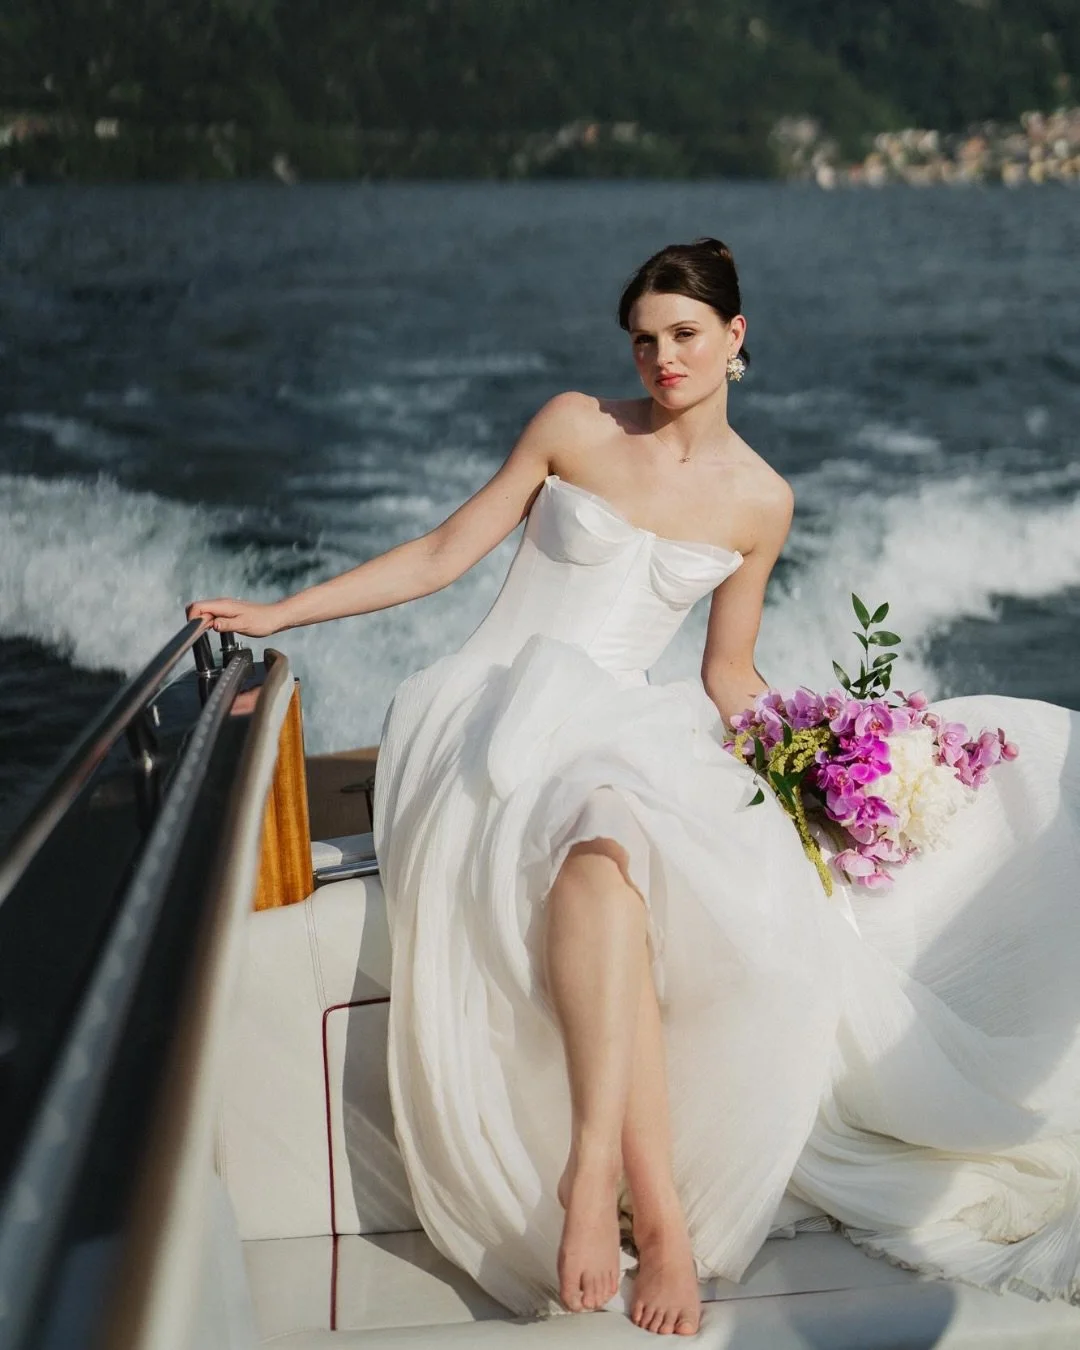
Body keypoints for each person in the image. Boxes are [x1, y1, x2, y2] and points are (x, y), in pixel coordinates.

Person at [189, 238, 1080, 1337]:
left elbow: (726, 675)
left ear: (736, 338)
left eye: (686, 335)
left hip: (617, 723)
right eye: (646, 339)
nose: (663, 358)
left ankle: (608, 1183)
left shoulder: (763, 500)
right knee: (609, 820)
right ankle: (651, 1209)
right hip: (490, 710)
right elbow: (441, 553)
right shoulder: (575, 424)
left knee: (614, 863)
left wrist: (836, 758)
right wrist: (279, 616)